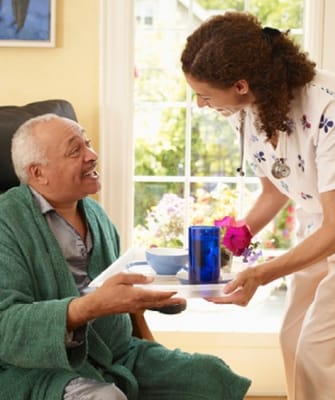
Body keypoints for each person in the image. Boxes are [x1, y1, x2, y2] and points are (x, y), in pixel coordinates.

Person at [0, 113, 251, 400]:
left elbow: (113, 291)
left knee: (212, 376)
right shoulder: (6, 223)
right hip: (37, 368)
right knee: (106, 397)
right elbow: (4, 325)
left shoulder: (96, 215)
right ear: (38, 173)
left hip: (116, 354)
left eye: (88, 143)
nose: (92, 155)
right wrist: (89, 307)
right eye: (75, 150)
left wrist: (152, 296)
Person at [181, 10, 335, 400]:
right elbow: (277, 189)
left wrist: (262, 274)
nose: (200, 105)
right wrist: (234, 238)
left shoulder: (327, 109)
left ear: (241, 84)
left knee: (317, 352)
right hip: (317, 230)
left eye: (204, 95)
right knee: (292, 338)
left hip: (330, 229)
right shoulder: (245, 110)